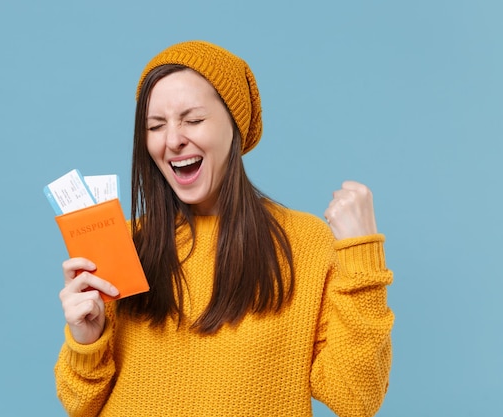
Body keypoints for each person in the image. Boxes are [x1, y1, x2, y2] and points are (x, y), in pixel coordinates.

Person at [54, 40, 394, 417]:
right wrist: (88, 339)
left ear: (235, 124)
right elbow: (80, 405)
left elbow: (355, 398)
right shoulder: (125, 241)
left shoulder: (305, 243)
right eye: (155, 126)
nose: (172, 139)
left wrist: (363, 262)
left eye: (193, 120)